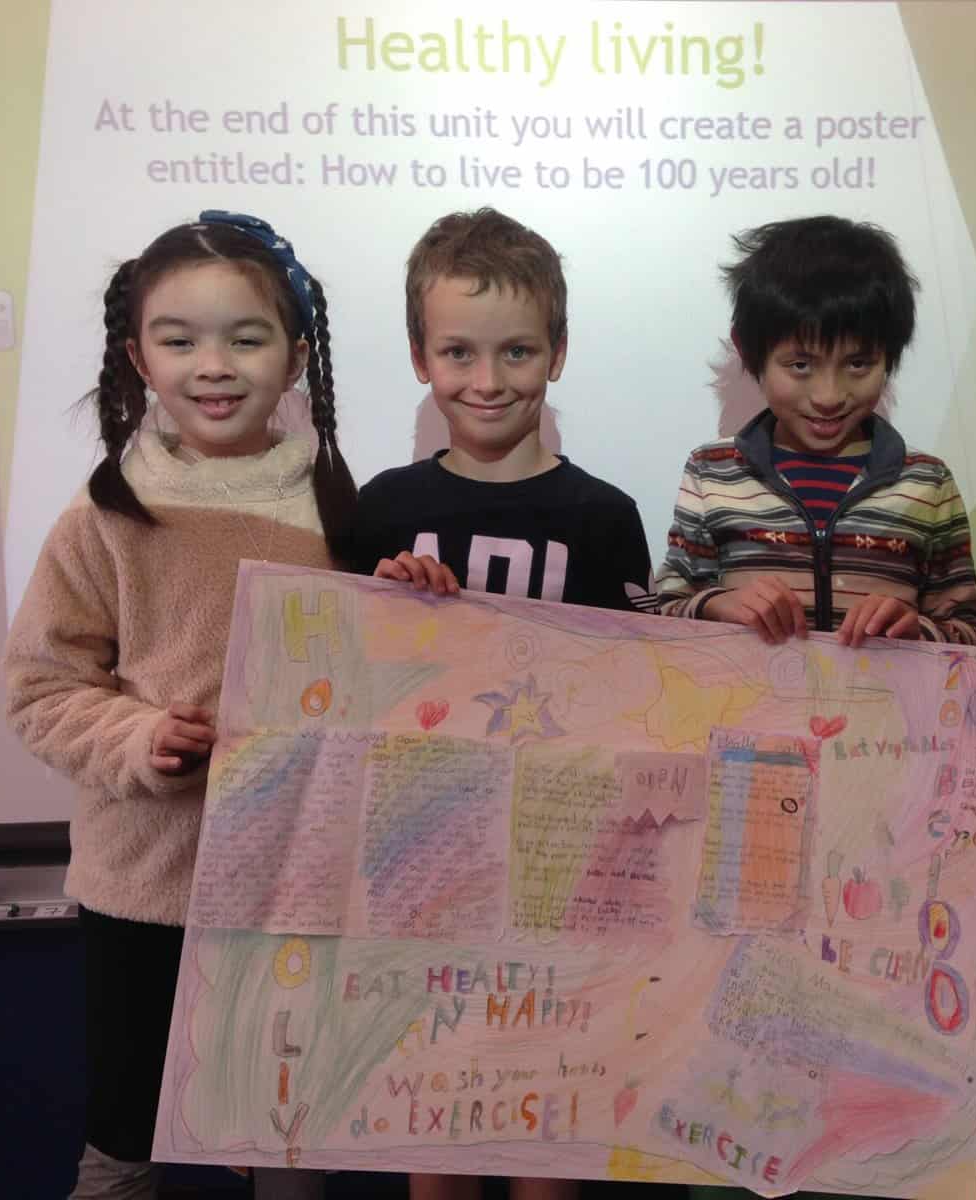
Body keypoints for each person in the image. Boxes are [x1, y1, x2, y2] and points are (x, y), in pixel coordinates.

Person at [3, 212, 355, 1200]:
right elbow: (39, 687)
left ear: (295, 356)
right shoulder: (104, 515)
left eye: (246, 338)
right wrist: (139, 738)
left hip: (297, 890)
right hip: (146, 885)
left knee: (288, 1133)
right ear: (137, 356)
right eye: (179, 339)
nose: (214, 366)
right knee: (126, 1135)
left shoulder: (339, 508)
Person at [341, 206, 651, 1200]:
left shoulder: (606, 516)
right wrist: (390, 615)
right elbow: (342, 693)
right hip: (417, 857)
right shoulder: (381, 509)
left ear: (557, 352)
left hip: (557, 860)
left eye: (516, 351)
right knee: (430, 1111)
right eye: (458, 353)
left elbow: (634, 695)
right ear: (419, 357)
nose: (488, 379)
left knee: (541, 1115)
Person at [646, 215, 976, 650]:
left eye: (858, 364)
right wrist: (716, 604)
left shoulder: (927, 483)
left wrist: (917, 633)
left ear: (890, 356)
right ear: (748, 351)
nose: (829, 396)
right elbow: (661, 611)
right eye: (800, 365)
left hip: (880, 696)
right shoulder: (711, 472)